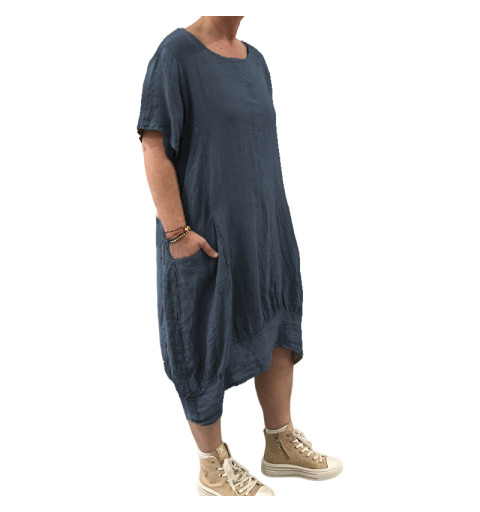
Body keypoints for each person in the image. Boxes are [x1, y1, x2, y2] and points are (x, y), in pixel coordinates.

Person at [137, 16, 343, 496]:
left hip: (263, 226)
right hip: (204, 231)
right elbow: (154, 145)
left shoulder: (256, 60)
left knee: (275, 325)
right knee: (201, 337)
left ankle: (280, 443)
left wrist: (272, 223)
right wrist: (177, 233)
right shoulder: (175, 55)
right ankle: (213, 466)